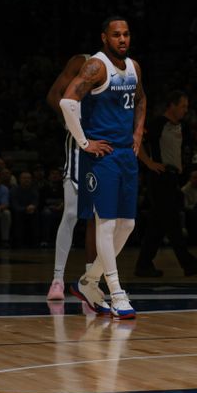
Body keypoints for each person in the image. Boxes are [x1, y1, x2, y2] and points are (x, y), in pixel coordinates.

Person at [62, 16, 145, 320]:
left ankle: (88, 282)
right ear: (104, 38)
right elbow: (67, 102)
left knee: (128, 225)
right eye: (116, 35)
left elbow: (141, 99)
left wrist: (137, 134)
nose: (122, 39)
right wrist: (84, 143)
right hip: (101, 157)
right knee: (106, 224)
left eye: (125, 34)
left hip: (124, 154)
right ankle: (116, 291)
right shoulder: (96, 67)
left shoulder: (134, 67)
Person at [135, 90, 197, 277]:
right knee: (172, 223)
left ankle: (143, 265)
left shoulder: (182, 127)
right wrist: (148, 162)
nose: (186, 110)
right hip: (159, 178)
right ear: (172, 105)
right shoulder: (156, 124)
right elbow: (136, 140)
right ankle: (188, 264)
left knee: (158, 225)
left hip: (172, 178)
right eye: (183, 106)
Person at [45, 53, 100, 301]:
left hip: (104, 141)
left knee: (98, 218)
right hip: (79, 143)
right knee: (71, 213)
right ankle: (57, 279)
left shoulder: (122, 72)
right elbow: (53, 96)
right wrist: (71, 123)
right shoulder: (82, 62)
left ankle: (89, 282)